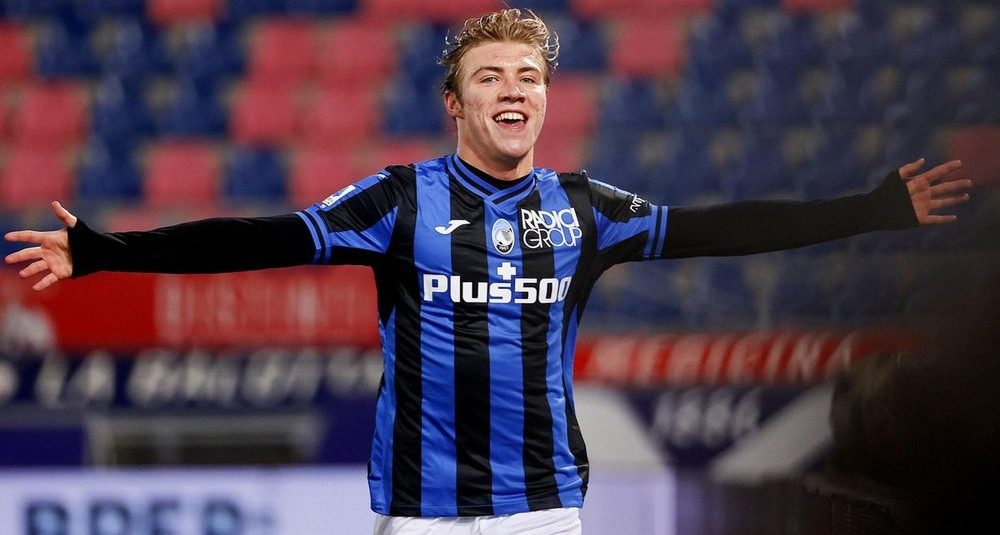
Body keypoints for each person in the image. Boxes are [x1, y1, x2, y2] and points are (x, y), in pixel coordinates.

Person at [3, 8, 972, 535]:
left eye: (529, 77)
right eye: (490, 77)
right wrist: (108, 253)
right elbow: (255, 239)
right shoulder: (397, 201)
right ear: (454, 103)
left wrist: (872, 209)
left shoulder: (585, 208)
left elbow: (722, 229)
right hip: (420, 514)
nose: (513, 91)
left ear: (546, 98)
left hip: (542, 512)